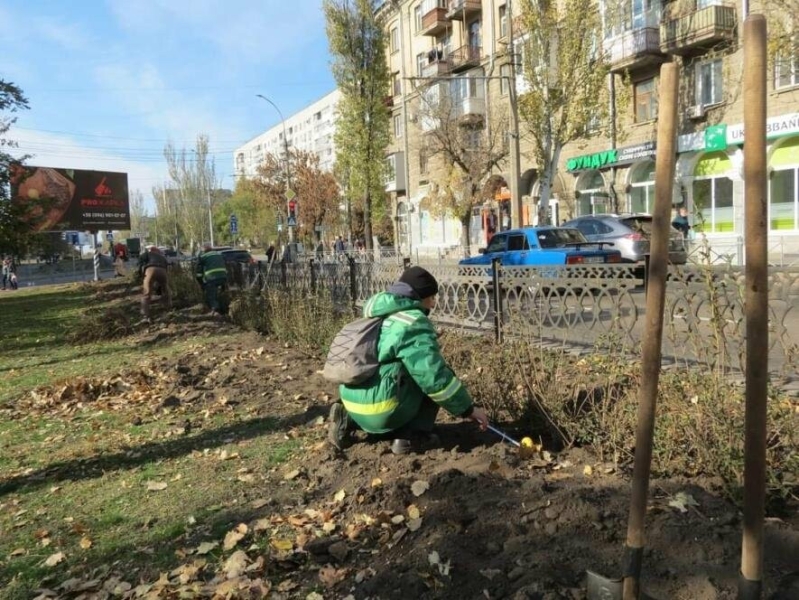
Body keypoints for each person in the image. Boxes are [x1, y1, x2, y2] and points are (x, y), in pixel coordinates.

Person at [328, 266, 488, 454]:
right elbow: (432, 377)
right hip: (381, 410)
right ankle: (412, 437)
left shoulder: (376, 315)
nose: (433, 304)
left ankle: (348, 418)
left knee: (391, 371)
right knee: (435, 374)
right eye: (431, 297)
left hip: (353, 402)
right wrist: (468, 409)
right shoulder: (413, 322)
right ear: (420, 297)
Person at [139, 245, 171, 321]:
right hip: (162, 271)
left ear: (151, 250)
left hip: (150, 270)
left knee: (146, 293)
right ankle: (168, 308)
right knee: (166, 290)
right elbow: (166, 268)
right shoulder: (162, 257)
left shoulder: (147, 254)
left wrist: (141, 274)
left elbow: (140, 262)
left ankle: (145, 316)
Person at [196, 243, 228, 316]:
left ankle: (215, 310)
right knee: (222, 292)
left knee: (211, 294)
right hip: (223, 276)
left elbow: (199, 273)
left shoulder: (202, 257)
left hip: (212, 278)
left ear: (203, 250)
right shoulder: (218, 254)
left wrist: (201, 283)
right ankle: (224, 307)